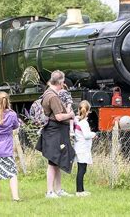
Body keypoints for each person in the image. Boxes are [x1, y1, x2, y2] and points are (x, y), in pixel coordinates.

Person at [35, 70, 76, 198]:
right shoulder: (52, 96)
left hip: (54, 132)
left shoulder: (48, 93)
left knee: (56, 161)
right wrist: (70, 115)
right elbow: (58, 117)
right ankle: (50, 191)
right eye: (63, 82)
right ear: (59, 82)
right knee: (53, 162)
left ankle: (58, 190)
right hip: (55, 131)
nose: (63, 84)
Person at [73, 100, 97, 197]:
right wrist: (94, 134)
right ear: (88, 111)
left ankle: (81, 190)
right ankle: (79, 191)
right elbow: (87, 135)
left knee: (81, 169)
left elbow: (75, 118)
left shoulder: (78, 121)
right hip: (82, 149)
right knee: (82, 170)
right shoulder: (84, 123)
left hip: (79, 148)